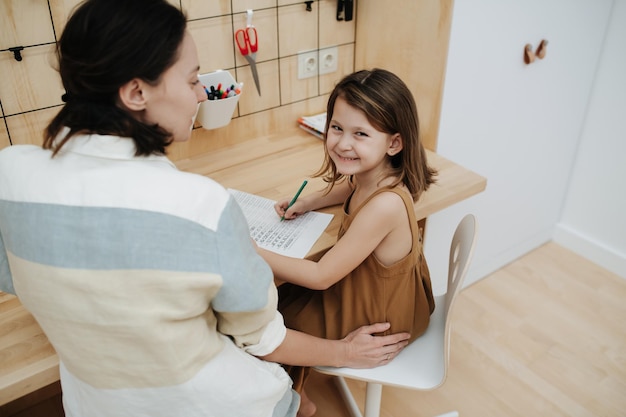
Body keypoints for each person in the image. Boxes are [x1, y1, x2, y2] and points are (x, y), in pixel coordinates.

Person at [0, 2, 411, 417]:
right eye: (194, 79)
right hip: (215, 405)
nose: (201, 93)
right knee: (296, 397)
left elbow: (20, 277)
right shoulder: (199, 205)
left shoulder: (9, 171)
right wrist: (342, 352)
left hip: (89, 404)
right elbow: (266, 342)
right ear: (137, 92)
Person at [256, 68, 437, 416]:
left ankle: (296, 403)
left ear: (394, 143)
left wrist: (253, 251)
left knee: (276, 316)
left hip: (383, 318)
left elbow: (322, 276)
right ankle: (298, 393)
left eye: (360, 134)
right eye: (337, 128)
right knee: (284, 298)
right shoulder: (378, 174)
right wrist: (309, 202)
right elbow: (352, 186)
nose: (342, 143)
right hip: (378, 292)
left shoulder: (385, 205)